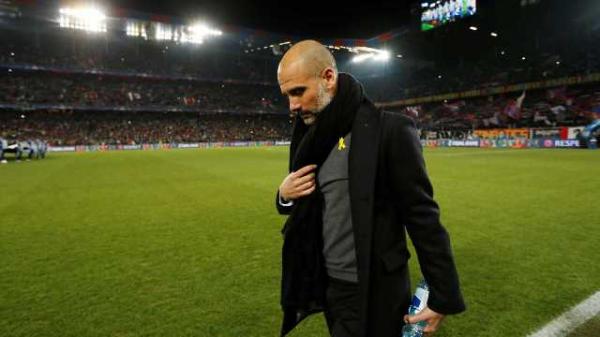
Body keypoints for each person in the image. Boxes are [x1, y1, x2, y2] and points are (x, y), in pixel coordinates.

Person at [275, 40, 465, 337]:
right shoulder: (309, 138)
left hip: (376, 291)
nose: (293, 106)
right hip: (328, 286)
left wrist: (443, 294)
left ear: (328, 77)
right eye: (287, 95)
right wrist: (283, 196)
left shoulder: (389, 131)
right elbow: (302, 203)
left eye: (298, 92)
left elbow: (421, 215)